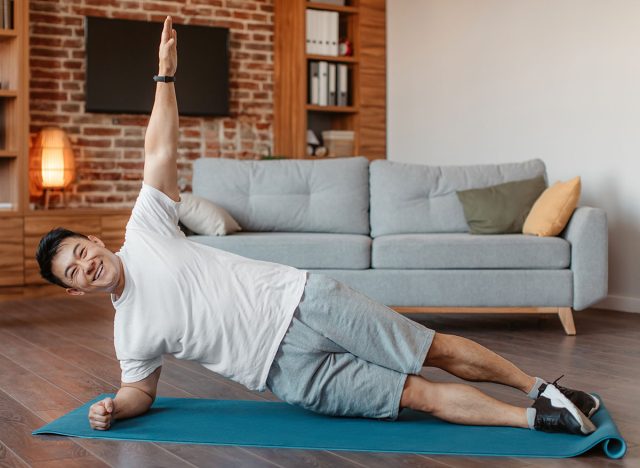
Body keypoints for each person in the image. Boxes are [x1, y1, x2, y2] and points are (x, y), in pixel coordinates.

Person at [36, 16, 599, 436]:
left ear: (95, 241)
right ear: (73, 289)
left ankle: (542, 388)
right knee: (418, 394)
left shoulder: (147, 230)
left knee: (435, 351)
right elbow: (140, 388)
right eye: (74, 272)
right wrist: (115, 405)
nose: (86, 265)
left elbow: (158, 150)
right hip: (288, 376)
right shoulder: (127, 333)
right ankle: (535, 420)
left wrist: (164, 75)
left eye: (81, 252)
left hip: (305, 302)